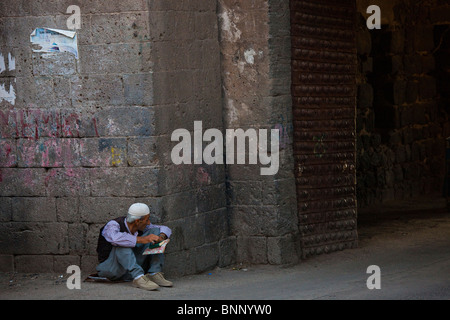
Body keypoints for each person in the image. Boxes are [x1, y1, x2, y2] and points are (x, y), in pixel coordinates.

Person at [95, 203, 173, 291]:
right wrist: (142, 239)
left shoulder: (142, 226)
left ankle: (153, 273)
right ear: (137, 221)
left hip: (131, 268)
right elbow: (115, 238)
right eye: (147, 220)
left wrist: (161, 237)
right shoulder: (113, 224)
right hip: (112, 269)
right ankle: (138, 277)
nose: (148, 222)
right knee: (122, 243)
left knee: (155, 231)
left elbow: (165, 229)